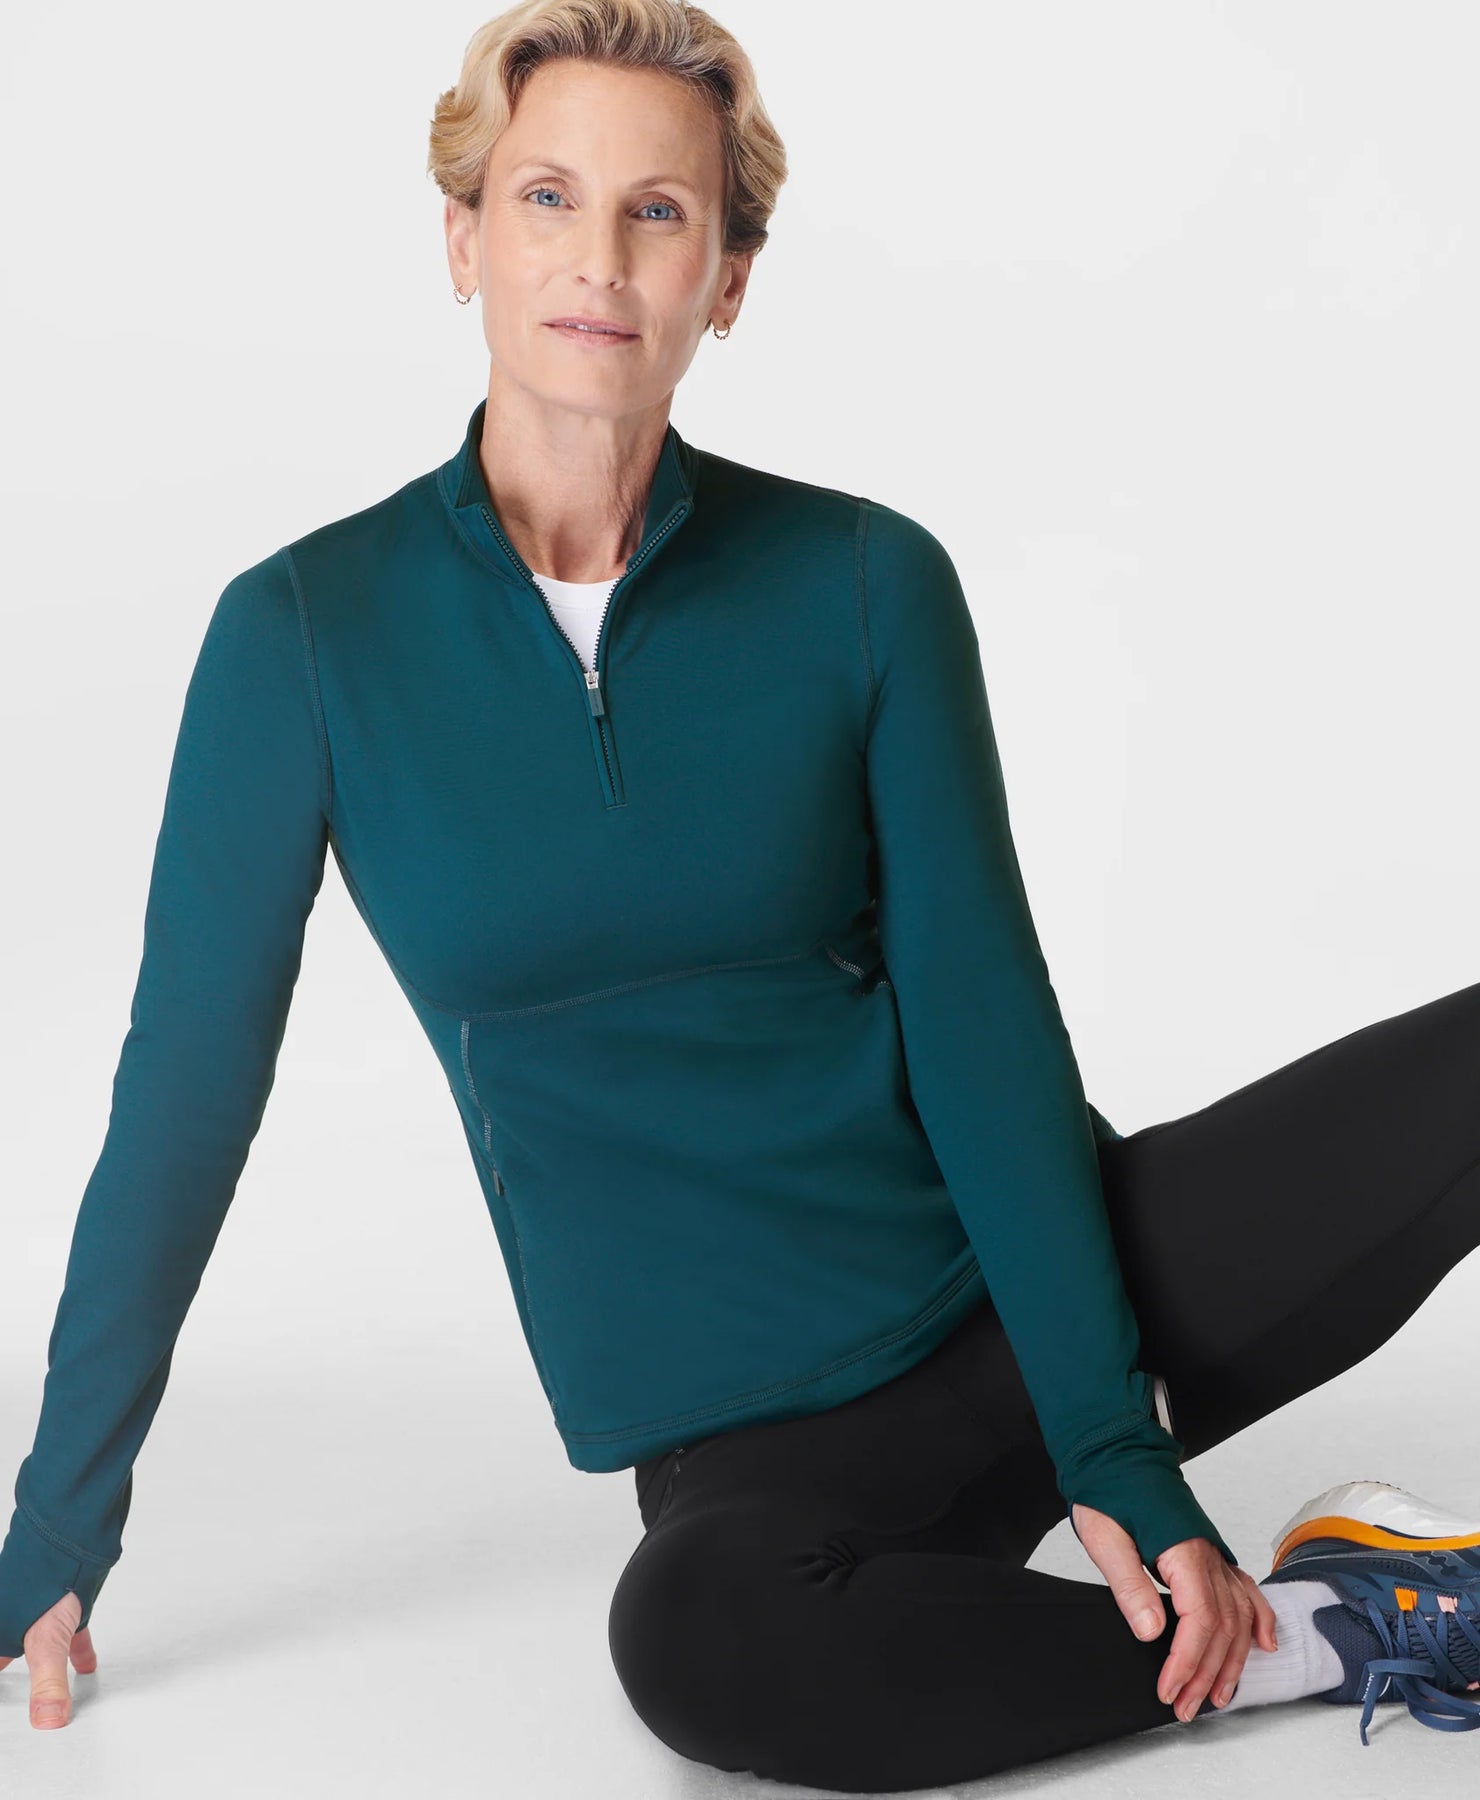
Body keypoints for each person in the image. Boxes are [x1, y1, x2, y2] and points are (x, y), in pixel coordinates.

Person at [4, 0, 1479, 1783]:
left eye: (660, 211)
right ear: (463, 240)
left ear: (730, 277)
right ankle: (1351, 1625)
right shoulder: (306, 639)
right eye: (547, 198)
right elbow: (182, 1102)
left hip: (1053, 1282)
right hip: (762, 1449)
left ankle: (1182, 1538)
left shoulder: (863, 580)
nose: (600, 260)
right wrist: (57, 1524)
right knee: (701, 1649)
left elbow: (982, 1015)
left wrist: (1111, 1437)